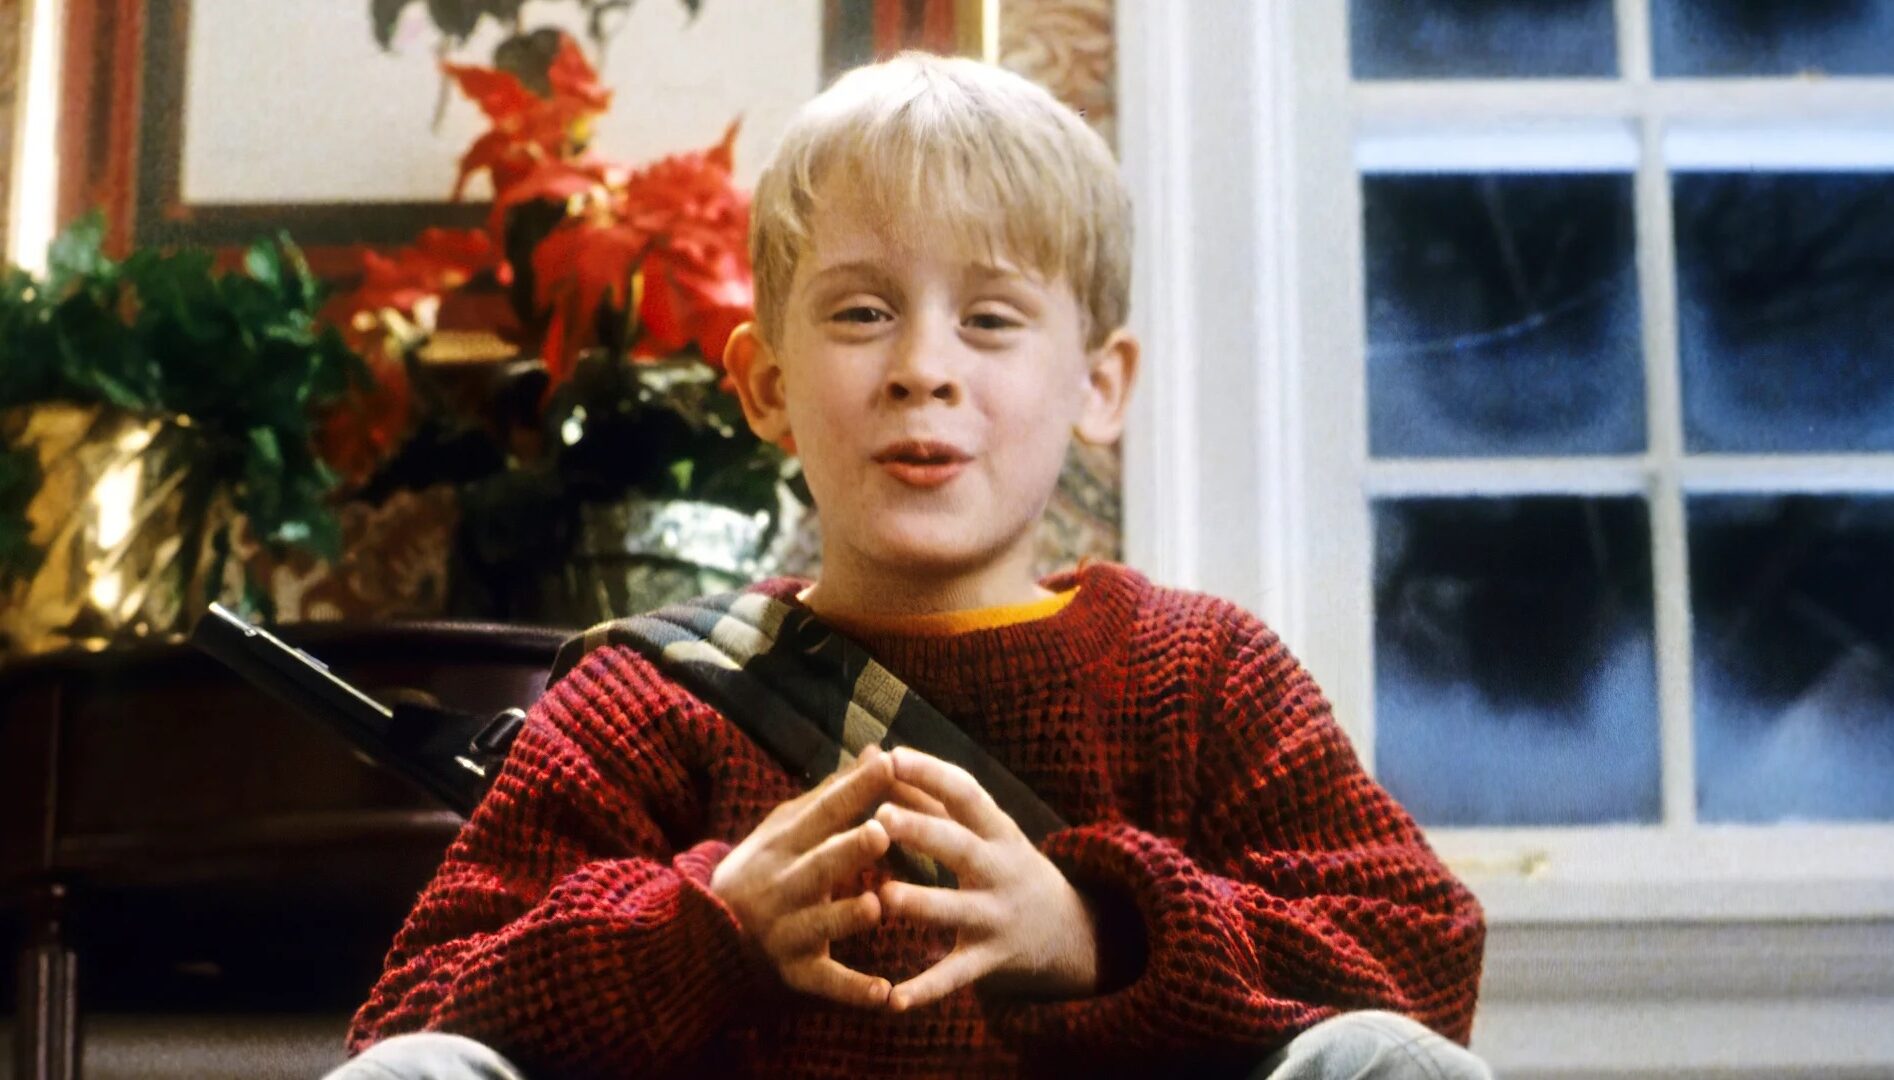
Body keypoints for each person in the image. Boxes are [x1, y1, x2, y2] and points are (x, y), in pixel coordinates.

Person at [332, 52, 1490, 1080]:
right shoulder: (644, 703)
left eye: (990, 319)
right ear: (767, 384)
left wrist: (1099, 932)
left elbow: (1421, 959)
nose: (923, 368)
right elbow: (412, 1013)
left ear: (1099, 383)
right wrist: (705, 928)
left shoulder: (1204, 677)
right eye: (861, 313)